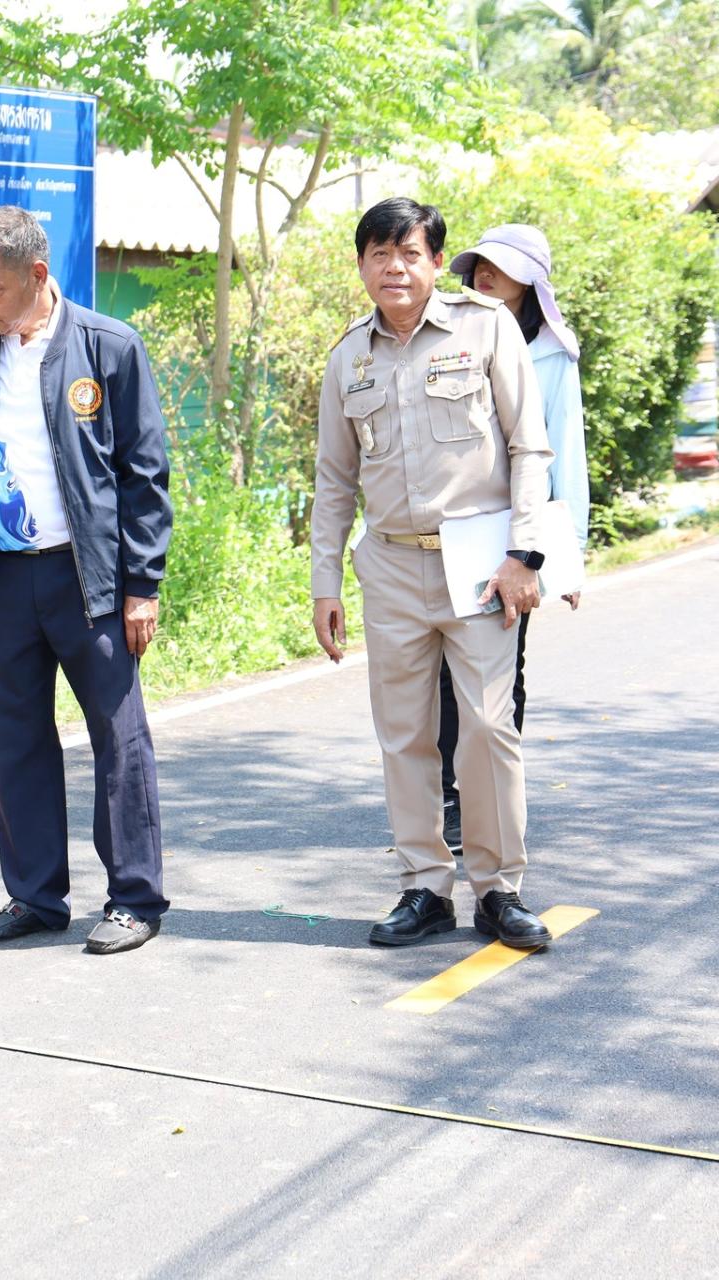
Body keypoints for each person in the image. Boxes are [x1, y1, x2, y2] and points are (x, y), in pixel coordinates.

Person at [0, 205, 172, 954]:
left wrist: (142, 585)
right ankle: (34, 895)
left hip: (88, 579)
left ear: (36, 274)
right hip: (4, 578)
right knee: (17, 738)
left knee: (119, 740)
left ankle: (134, 898)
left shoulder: (108, 346)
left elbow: (145, 474)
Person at [311, 197, 556, 950]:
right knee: (405, 734)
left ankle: (498, 889)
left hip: (479, 563)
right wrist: (324, 583)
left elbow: (530, 447)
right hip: (389, 563)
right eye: (379, 254)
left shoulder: (486, 328)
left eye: (409, 253)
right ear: (362, 265)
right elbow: (334, 480)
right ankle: (424, 886)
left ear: (434, 262)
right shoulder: (347, 358)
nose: (395, 267)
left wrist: (525, 554)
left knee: (486, 727)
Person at [434, 224, 588, 854]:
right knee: (441, 674)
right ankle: (450, 798)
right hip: (447, 532)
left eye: (499, 268)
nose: (484, 275)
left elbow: (564, 452)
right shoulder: (447, 338)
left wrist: (566, 556)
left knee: (500, 671)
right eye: (478, 265)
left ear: (532, 284)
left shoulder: (553, 355)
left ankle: (488, 795)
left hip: (515, 541)